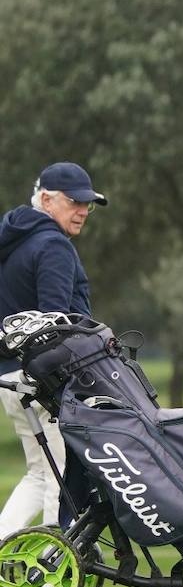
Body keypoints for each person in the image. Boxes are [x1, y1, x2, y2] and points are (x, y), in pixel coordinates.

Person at [0, 162, 107, 537]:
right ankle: (50, 580)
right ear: (46, 199)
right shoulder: (53, 245)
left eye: (88, 205)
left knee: (39, 473)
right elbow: (53, 326)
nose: (82, 211)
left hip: (11, 377)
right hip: (44, 378)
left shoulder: (15, 241)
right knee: (61, 479)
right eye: (75, 202)